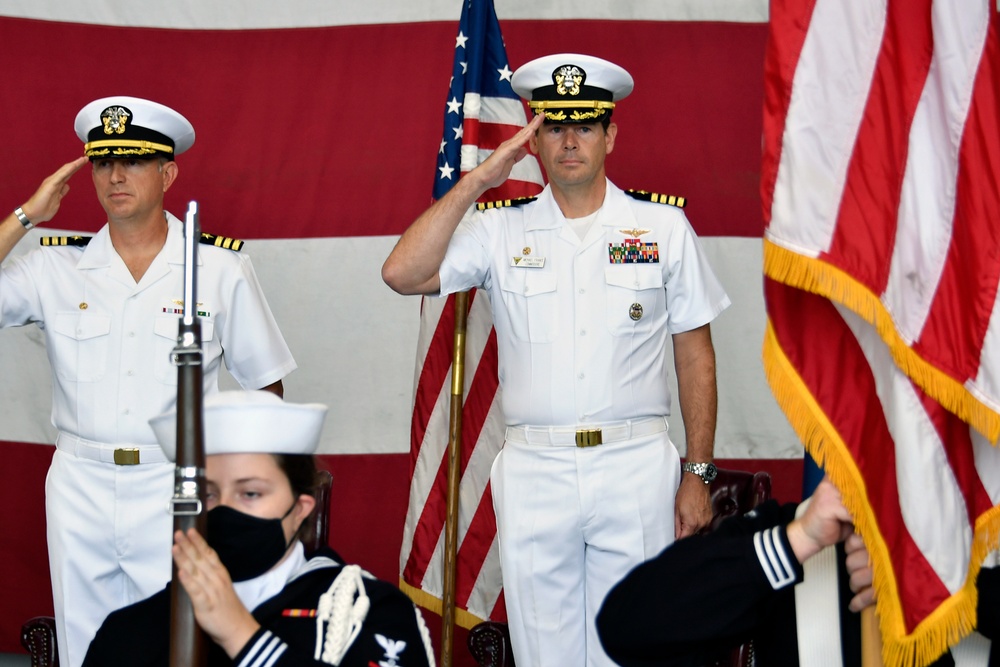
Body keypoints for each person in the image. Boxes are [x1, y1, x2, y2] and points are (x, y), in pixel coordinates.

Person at [382, 53, 731, 666]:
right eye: (554, 125)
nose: (569, 140)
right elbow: (402, 274)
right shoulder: (498, 230)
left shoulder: (662, 227)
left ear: (610, 136)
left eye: (585, 125)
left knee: (639, 648)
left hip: (636, 467)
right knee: (547, 654)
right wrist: (479, 180)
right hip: (534, 468)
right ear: (534, 140)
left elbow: (695, 357)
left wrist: (697, 474)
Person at [0, 96, 296, 666]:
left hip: (175, 484)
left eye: (133, 161)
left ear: (168, 172)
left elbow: (267, 388)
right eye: (103, 161)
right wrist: (26, 216)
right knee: (85, 649)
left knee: (174, 644)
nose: (115, 175)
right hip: (79, 483)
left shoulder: (217, 268)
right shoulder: (52, 266)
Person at [83, 390, 436, 667]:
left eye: (250, 493)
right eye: (206, 493)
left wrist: (241, 635)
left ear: (300, 509)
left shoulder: (370, 612)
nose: (224, 509)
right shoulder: (131, 630)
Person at [596, 478, 996, 666]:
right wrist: (795, 542)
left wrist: (949, 587)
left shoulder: (986, 554)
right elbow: (626, 627)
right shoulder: (792, 533)